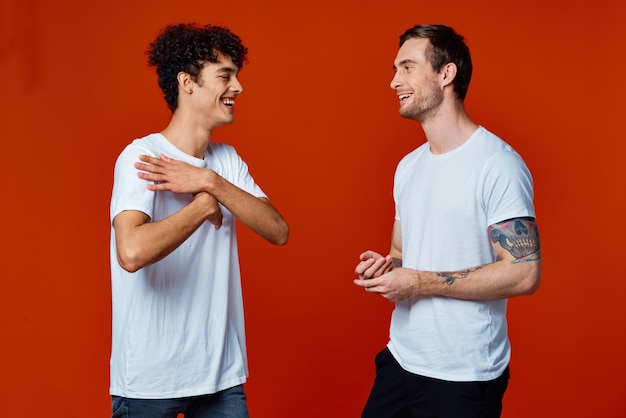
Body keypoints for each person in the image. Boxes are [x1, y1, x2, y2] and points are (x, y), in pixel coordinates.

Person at [353, 24, 541, 418]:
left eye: (407, 67)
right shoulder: (408, 167)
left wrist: (419, 281)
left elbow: (524, 273)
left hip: (464, 376)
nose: (393, 81)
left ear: (446, 74)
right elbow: (402, 252)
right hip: (401, 360)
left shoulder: (498, 164)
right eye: (395, 69)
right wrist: (386, 271)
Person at [109, 23, 288, 418]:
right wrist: (200, 207)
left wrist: (209, 181)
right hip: (149, 383)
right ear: (187, 83)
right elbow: (132, 252)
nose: (238, 87)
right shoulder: (143, 157)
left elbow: (278, 231)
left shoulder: (225, 163)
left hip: (220, 380)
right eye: (225, 76)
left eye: (237, 76)